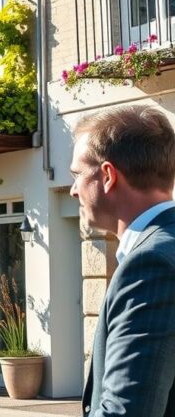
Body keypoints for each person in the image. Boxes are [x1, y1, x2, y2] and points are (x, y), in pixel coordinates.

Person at [72, 106, 175, 416]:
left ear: (107, 175)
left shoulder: (150, 264)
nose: (74, 190)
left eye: (77, 175)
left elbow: (128, 410)